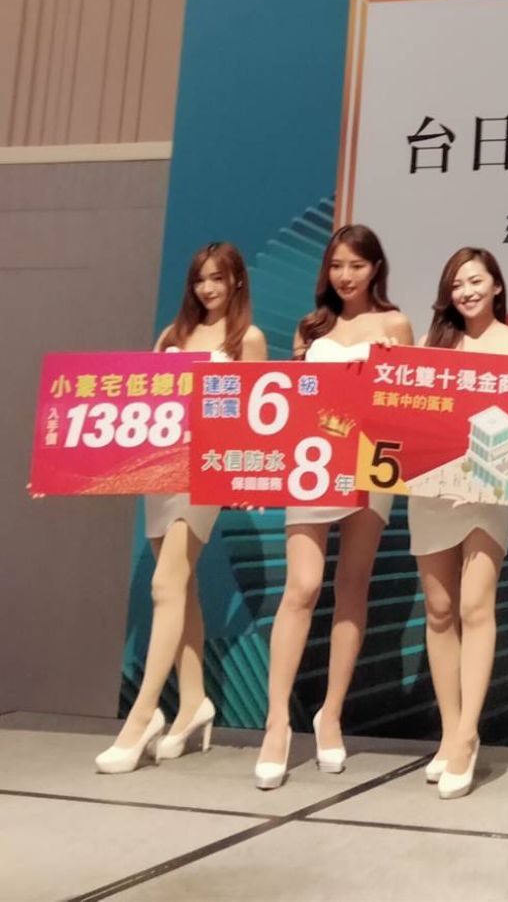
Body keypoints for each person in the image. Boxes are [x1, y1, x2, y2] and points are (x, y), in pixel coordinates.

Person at [94, 243, 267, 773]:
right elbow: (144, 403)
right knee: (181, 588)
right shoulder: (171, 336)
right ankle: (194, 703)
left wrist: (242, 474)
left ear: (237, 281)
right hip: (160, 471)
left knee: (164, 585)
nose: (208, 288)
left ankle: (143, 714)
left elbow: (253, 415)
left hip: (205, 472)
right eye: (200, 279)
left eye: (218, 278)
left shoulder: (248, 339)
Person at [255, 224, 412, 789]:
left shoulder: (395, 324)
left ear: (376, 269)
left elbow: (406, 400)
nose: (346, 276)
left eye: (357, 266)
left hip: (370, 463)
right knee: (302, 586)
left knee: (353, 584)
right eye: (337, 265)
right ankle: (277, 722)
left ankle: (331, 714)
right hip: (312, 463)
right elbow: (293, 400)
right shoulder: (311, 326)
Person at [410, 248, 508, 800]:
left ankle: (467, 736)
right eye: (457, 283)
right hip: (432, 490)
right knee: (439, 611)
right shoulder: (429, 348)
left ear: (496, 287)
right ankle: (448, 730)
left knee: (475, 605)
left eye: (476, 281)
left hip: (490, 488)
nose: (467, 291)